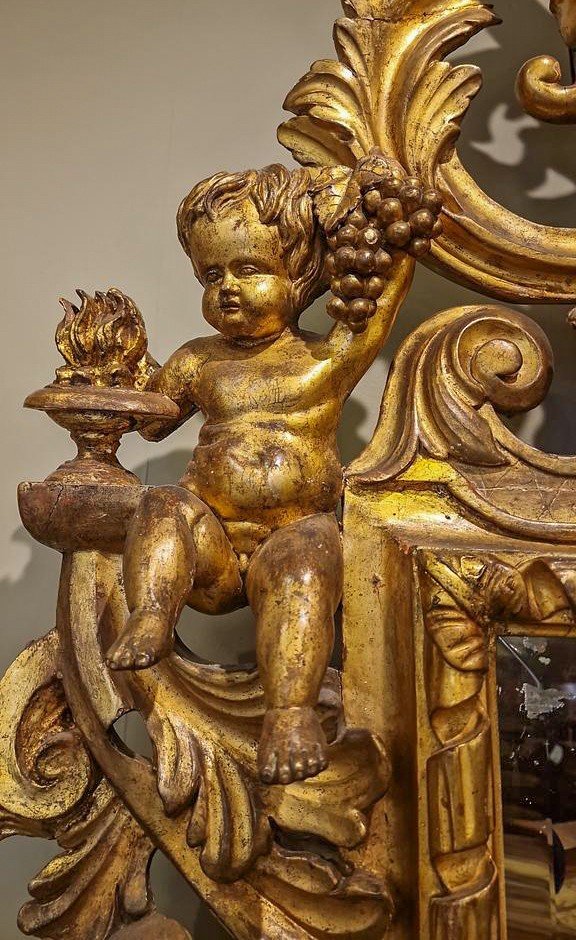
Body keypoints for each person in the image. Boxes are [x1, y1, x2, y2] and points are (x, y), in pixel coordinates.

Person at [107, 161, 416, 785]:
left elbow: (382, 296)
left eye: (250, 269)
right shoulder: (197, 361)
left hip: (290, 535)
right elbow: (151, 422)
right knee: (162, 504)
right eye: (211, 275)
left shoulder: (326, 357)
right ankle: (153, 611)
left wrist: (384, 222)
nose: (228, 288)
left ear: (298, 275)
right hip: (211, 546)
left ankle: (289, 715)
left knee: (309, 558)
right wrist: (116, 363)